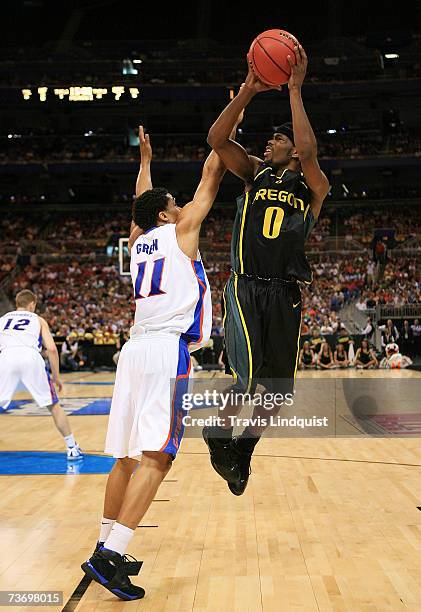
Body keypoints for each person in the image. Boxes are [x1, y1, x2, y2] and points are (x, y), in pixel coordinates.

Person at [81, 119, 241, 601]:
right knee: (160, 454)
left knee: (126, 457)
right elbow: (213, 171)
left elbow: (140, 204)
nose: (181, 207)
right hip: (165, 349)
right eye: (175, 205)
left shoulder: (137, 240)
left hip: (133, 351)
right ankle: (113, 554)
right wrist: (241, 106)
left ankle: (105, 542)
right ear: (170, 215)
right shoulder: (182, 230)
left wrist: (146, 162)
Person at [203, 43, 330, 495]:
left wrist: (295, 89)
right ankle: (218, 432)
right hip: (246, 286)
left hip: (286, 293)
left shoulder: (313, 186)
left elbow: (311, 155)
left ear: (293, 149)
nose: (268, 142)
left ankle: (242, 450)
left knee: (277, 393)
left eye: (277, 139)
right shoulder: (254, 172)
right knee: (249, 378)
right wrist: (249, 90)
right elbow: (217, 140)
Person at [0, 290, 83, 460]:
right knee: (53, 405)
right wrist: (56, 377)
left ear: (17, 303)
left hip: (6, 356)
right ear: (32, 304)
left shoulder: (2, 320)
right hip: (31, 357)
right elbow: (51, 349)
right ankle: (72, 447)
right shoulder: (38, 320)